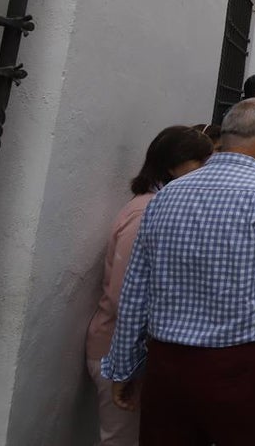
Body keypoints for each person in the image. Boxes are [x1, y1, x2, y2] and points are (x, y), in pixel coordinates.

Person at [101, 99, 255, 443]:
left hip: (169, 368)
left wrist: (122, 367)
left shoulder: (168, 194)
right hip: (242, 368)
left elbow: (136, 289)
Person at [86, 126, 213, 446]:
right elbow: (122, 294)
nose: (207, 172)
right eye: (201, 162)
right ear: (173, 165)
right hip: (121, 350)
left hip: (140, 351)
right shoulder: (146, 212)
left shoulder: (161, 205)